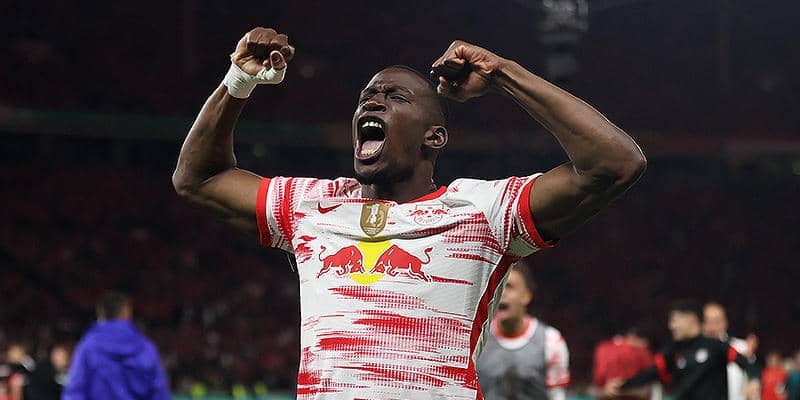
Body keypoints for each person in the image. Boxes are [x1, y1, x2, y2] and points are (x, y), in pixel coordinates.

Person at [173, 27, 646, 399]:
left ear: (433, 138)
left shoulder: (481, 211)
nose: (373, 101)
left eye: (395, 97)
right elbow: (198, 178)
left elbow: (615, 163)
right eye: (366, 97)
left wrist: (502, 74)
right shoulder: (310, 205)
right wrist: (239, 81)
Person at [605, 300, 758, 400]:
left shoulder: (715, 346)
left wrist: (754, 381)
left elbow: (748, 364)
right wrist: (622, 385)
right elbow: (650, 373)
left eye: (674, 319)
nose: (671, 326)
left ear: (690, 319)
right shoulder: (672, 351)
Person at [476, 261, 569, 400]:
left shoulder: (551, 341)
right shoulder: (476, 338)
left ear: (526, 296)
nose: (501, 293)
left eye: (509, 286)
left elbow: (557, 395)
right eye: (498, 287)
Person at [63, 292, 170, 400]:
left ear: (100, 315)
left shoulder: (88, 347)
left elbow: (75, 392)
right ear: (127, 313)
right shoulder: (146, 348)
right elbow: (159, 392)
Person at [703, 302, 761, 400]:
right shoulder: (692, 350)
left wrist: (754, 383)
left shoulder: (741, 347)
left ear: (725, 323)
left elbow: (753, 373)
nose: (712, 327)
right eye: (707, 321)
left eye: (717, 321)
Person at [592, 327, 655, 399]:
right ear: (631, 336)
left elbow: (595, 388)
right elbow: (646, 391)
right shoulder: (642, 352)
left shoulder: (602, 348)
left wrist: (610, 390)